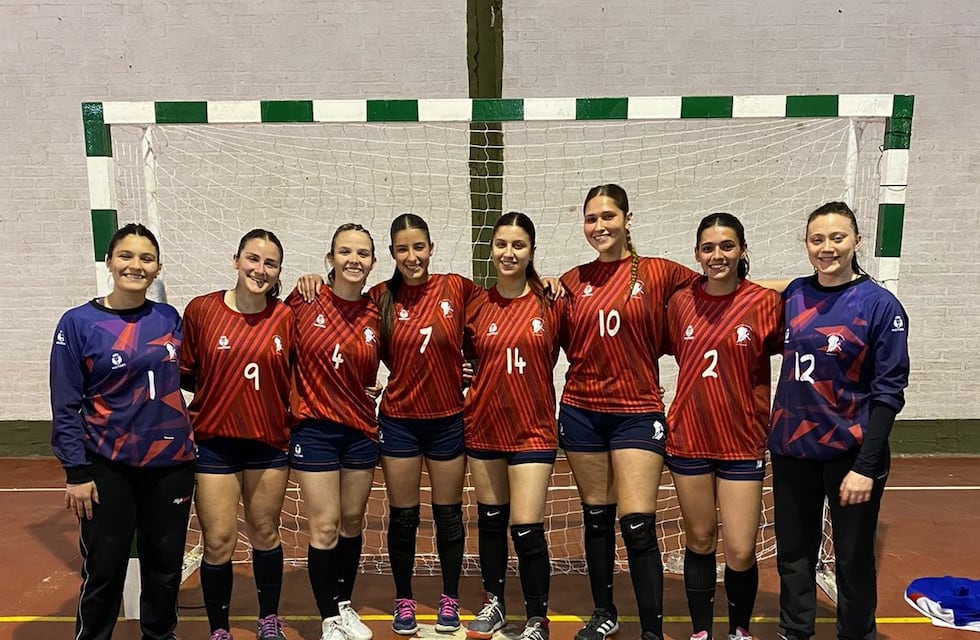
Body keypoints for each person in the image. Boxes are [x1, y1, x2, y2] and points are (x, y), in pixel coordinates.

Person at [559, 185, 699, 640]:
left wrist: (799, 288)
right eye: (591, 218)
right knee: (596, 517)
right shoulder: (569, 281)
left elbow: (723, 285)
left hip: (637, 411)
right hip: (581, 409)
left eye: (608, 216)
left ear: (627, 218)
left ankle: (652, 631)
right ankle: (604, 613)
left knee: (637, 524)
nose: (600, 226)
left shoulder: (658, 272)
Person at [769, 202, 910, 640]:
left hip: (849, 453)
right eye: (817, 239)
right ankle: (795, 630)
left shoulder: (880, 306)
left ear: (856, 242)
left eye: (837, 238)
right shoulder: (793, 294)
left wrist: (866, 466)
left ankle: (856, 634)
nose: (827, 247)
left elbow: (889, 393)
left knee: (851, 556)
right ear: (806, 244)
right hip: (792, 448)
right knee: (794, 553)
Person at [50, 223, 196, 640]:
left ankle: (159, 635)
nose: (136, 265)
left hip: (171, 463)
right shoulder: (78, 323)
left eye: (146, 258)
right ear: (110, 262)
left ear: (157, 268)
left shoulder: (168, 317)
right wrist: (76, 473)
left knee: (164, 567)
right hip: (107, 465)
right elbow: (65, 405)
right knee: (105, 568)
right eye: (127, 256)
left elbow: (192, 376)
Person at [664, 213, 783, 640]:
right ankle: (700, 631)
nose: (718, 255)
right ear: (697, 254)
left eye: (727, 246)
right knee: (699, 539)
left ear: (743, 250)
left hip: (742, 441)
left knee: (739, 548)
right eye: (709, 247)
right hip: (689, 438)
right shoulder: (679, 303)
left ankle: (739, 630)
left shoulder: (765, 303)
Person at [371, 213, 483, 635]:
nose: (412, 256)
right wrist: (313, 278)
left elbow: (499, 312)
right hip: (399, 420)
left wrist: (472, 365)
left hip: (447, 418)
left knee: (448, 515)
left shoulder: (455, 286)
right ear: (393, 253)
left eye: (419, 247)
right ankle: (404, 600)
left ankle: (448, 598)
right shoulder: (379, 297)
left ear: (431, 248)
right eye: (403, 249)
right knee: (403, 517)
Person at [180, 229, 294, 640]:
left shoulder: (285, 316)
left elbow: (301, 372)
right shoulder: (201, 311)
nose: (259, 270)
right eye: (252, 259)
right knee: (220, 539)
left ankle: (268, 618)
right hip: (215, 443)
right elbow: (188, 373)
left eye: (270, 263)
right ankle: (220, 628)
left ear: (279, 271)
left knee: (264, 531)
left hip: (268, 442)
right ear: (235, 260)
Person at [463, 212, 564, 640]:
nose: (509, 253)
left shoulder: (552, 302)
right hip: (484, 426)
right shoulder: (475, 306)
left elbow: (590, 348)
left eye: (518, 245)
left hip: (534, 428)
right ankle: (495, 603)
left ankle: (537, 617)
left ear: (532, 252)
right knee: (490, 520)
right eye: (501, 244)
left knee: (525, 527)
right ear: (491, 251)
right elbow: (456, 358)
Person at [286, 223, 382, 640]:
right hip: (315, 429)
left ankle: (344, 604)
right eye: (345, 252)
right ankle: (328, 617)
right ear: (330, 259)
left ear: (373, 262)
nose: (353, 260)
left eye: (362, 254)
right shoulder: (305, 300)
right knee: (324, 526)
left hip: (361, 428)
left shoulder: (377, 310)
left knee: (351, 521)